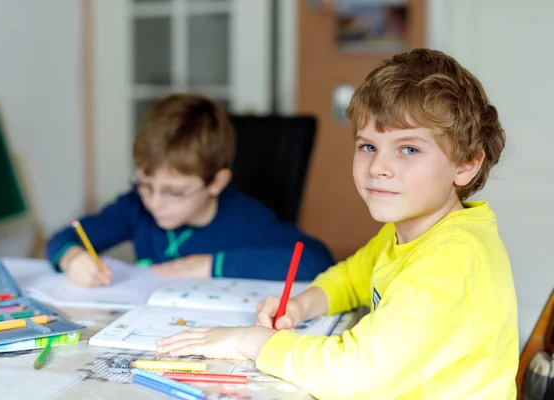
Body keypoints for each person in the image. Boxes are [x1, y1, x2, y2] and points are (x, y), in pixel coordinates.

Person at [155, 49, 519, 399]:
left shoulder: (448, 264)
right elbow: (353, 276)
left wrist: (251, 341)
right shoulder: (417, 230)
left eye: (409, 149)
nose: (378, 167)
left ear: (466, 164)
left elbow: (353, 376)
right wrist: (302, 305)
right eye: (368, 146)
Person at [46, 94, 334, 287]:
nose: (155, 202)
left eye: (174, 192)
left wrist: (214, 264)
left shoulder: (244, 218)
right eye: (145, 184)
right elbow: (63, 237)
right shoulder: (135, 208)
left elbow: (316, 260)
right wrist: (73, 258)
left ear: (216, 183)